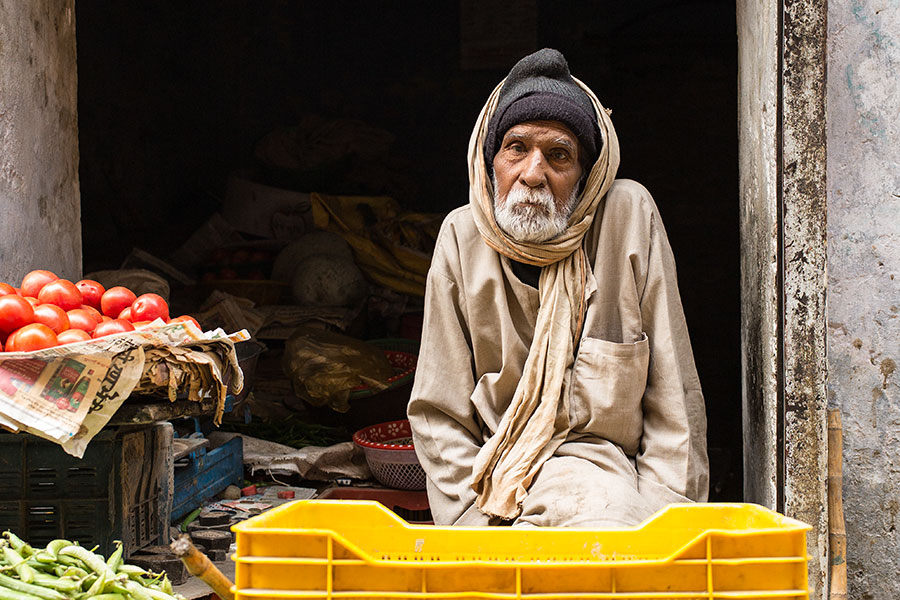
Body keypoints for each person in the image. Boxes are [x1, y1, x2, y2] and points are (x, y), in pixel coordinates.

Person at [407, 48, 708, 528]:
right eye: (517, 148)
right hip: (490, 482)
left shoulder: (628, 216)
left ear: (587, 176)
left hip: (604, 481)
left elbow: (675, 399)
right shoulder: (462, 237)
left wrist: (661, 523)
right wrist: (472, 526)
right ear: (491, 163)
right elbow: (438, 412)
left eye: (558, 155)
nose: (532, 174)